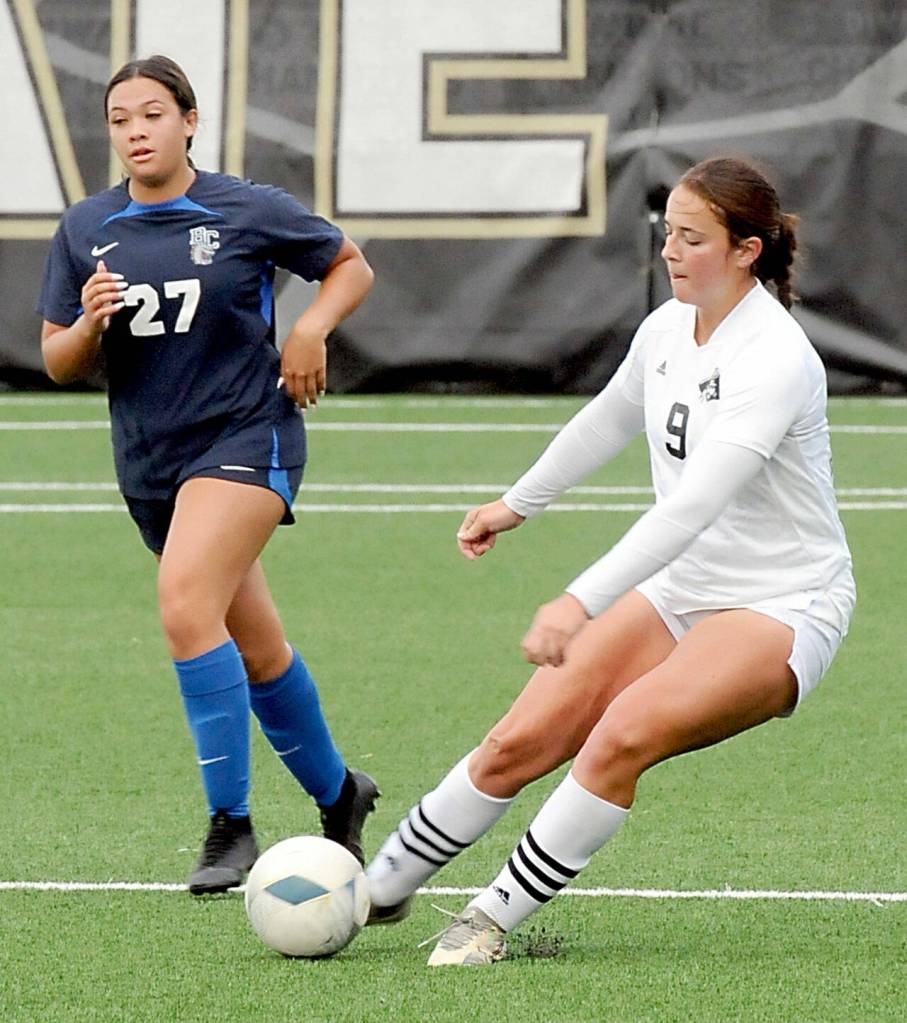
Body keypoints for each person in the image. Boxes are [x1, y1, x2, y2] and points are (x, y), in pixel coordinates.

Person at [364, 155, 856, 964]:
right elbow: (605, 420)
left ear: (746, 251)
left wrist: (578, 599)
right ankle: (374, 887)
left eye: (693, 239)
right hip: (681, 587)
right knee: (518, 739)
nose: (670, 252)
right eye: (667, 234)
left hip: (781, 603)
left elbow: (692, 506)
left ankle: (488, 918)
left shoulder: (776, 356)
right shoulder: (666, 327)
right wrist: (516, 501)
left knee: (620, 732)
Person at [37, 55, 378, 894]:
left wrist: (309, 331)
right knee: (256, 647)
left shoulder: (243, 209)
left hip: (245, 435)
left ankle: (231, 825)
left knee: (186, 604)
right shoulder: (87, 227)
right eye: (119, 119)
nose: (135, 131)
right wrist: (88, 325)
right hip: (150, 462)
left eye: (152, 114)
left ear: (189, 121)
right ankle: (341, 796)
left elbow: (349, 264)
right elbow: (55, 357)